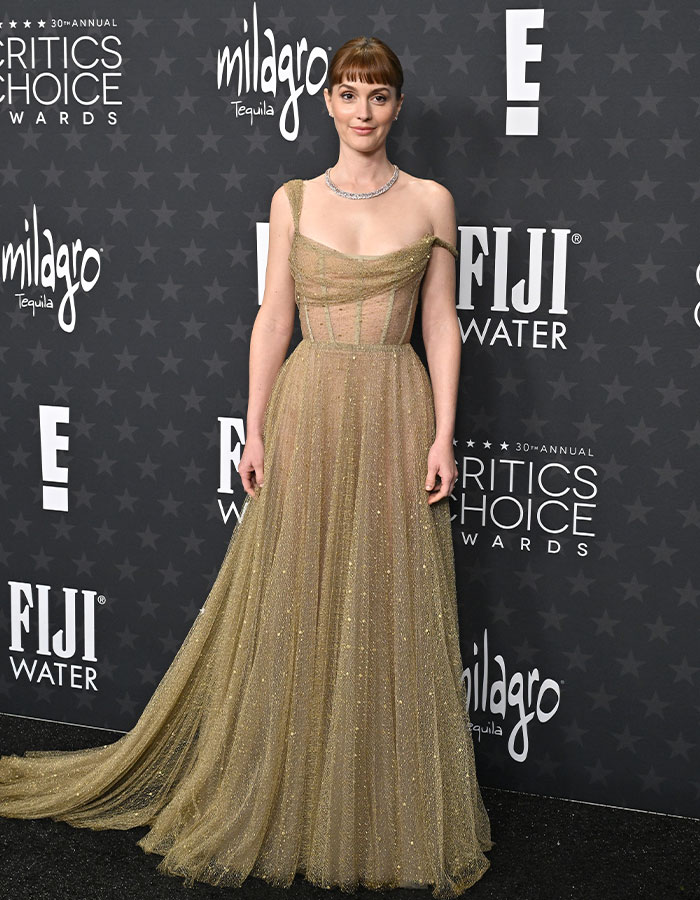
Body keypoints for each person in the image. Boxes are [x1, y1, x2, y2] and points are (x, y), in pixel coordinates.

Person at [0, 35, 493, 898]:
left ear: (398, 107)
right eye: (348, 93)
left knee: (388, 602)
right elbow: (272, 320)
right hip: (307, 412)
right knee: (299, 599)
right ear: (328, 103)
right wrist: (255, 428)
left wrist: (444, 435)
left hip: (396, 408)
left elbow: (444, 325)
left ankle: (373, 806)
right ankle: (289, 794)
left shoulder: (433, 203)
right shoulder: (294, 199)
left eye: (378, 95)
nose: (363, 110)